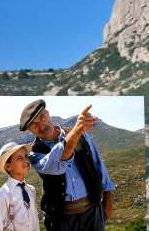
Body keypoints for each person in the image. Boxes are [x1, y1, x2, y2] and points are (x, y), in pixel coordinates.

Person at [20, 99, 114, 231]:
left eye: (42, 117)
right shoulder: (34, 153)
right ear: (30, 130)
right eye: (34, 124)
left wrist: (107, 205)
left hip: (94, 213)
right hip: (63, 220)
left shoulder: (82, 136)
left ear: (48, 114)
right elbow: (58, 164)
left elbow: (100, 169)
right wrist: (75, 132)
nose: (41, 126)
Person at [0, 142, 40, 231]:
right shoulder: (2, 195)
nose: (26, 161)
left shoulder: (31, 190)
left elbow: (35, 221)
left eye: (26, 156)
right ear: (8, 166)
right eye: (19, 158)